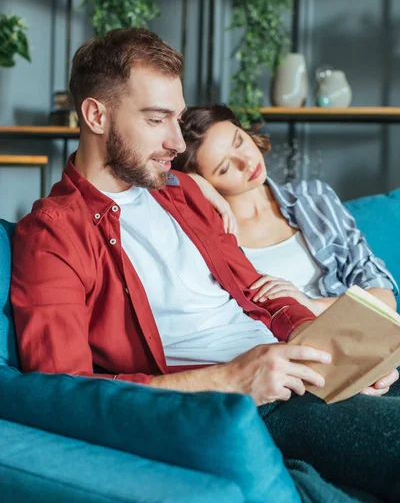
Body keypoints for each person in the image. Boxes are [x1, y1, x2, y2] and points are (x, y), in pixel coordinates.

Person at [10, 28, 400, 502]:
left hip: (298, 364)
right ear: (96, 115)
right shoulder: (54, 233)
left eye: (177, 118)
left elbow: (262, 293)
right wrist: (233, 379)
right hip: (255, 401)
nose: (176, 140)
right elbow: (62, 393)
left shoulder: (184, 191)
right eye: (157, 120)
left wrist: (338, 350)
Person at [172, 104, 398, 323]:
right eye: (224, 168)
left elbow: (384, 298)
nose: (246, 162)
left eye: (239, 141)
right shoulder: (211, 239)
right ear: (204, 182)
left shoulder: (314, 197)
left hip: (354, 337)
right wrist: (188, 182)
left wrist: (311, 307)